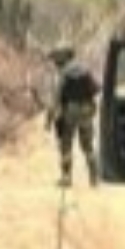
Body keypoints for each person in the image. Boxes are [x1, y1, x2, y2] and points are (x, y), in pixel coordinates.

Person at [46, 44, 100, 188]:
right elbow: (96, 88)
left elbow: (55, 99)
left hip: (69, 112)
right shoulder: (85, 70)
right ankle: (94, 178)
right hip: (87, 111)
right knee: (88, 146)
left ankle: (66, 177)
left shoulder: (63, 74)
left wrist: (49, 120)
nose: (54, 62)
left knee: (65, 145)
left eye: (56, 59)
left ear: (62, 58)